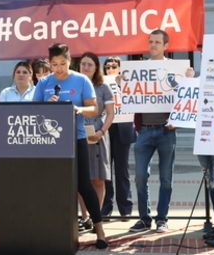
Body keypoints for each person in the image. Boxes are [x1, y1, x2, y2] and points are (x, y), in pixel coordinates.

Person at [33, 43, 108, 249]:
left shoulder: (81, 80)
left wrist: (78, 109)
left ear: (70, 61)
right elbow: (32, 110)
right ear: (50, 63)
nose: (59, 68)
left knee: (84, 185)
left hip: (77, 138)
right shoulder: (44, 82)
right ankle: (54, 230)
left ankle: (99, 231)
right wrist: (46, 105)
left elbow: (94, 109)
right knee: (53, 186)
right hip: (51, 142)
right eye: (55, 64)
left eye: (63, 64)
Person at [129, 29, 195, 233]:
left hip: (166, 131)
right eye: (150, 41)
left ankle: (162, 219)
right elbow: (129, 97)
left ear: (166, 46)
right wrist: (122, 84)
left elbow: (187, 100)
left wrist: (190, 80)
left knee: (166, 178)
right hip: (145, 132)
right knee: (140, 176)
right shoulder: (138, 69)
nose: (153, 45)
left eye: (157, 42)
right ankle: (143, 218)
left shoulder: (175, 69)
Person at [76, 52, 113, 232]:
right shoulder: (73, 86)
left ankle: (96, 216)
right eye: (83, 64)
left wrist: (101, 131)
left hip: (98, 134)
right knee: (82, 179)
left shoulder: (103, 87)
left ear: (96, 67)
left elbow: (111, 113)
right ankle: (85, 217)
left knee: (98, 179)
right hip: (78, 134)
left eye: (90, 64)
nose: (86, 67)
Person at [101, 56, 137, 221]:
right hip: (106, 128)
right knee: (105, 171)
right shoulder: (101, 83)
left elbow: (136, 100)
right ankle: (106, 207)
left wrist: (121, 84)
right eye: (107, 67)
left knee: (122, 170)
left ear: (121, 68)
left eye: (114, 66)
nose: (110, 69)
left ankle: (125, 208)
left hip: (123, 128)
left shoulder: (128, 82)